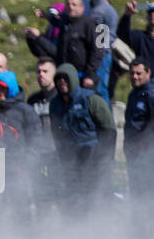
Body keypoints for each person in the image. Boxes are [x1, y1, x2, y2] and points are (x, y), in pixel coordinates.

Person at [48, 63, 115, 212]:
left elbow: (109, 130)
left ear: (73, 79)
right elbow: (55, 133)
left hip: (94, 161)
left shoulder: (91, 99)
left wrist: (104, 159)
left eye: (65, 79)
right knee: (73, 204)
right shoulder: (54, 105)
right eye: (58, 79)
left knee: (98, 202)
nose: (62, 82)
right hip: (70, 164)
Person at [28, 0, 103, 92]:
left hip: (84, 77)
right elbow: (56, 20)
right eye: (68, 4)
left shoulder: (89, 24)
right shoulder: (65, 23)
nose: (71, 7)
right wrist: (45, 15)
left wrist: (90, 75)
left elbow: (97, 51)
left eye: (74, 5)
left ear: (82, 7)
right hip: (66, 77)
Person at [125, 57, 153, 210]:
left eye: (139, 73)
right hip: (134, 154)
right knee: (137, 195)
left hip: (148, 155)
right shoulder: (133, 94)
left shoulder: (151, 93)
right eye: (132, 73)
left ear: (148, 73)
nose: (135, 77)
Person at [88, 0, 119, 103]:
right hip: (91, 55)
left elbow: (109, 36)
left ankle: (106, 119)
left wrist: (98, 50)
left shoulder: (107, 10)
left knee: (101, 88)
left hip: (102, 55)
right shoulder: (88, 7)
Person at [118, 0, 154, 67]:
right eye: (150, 12)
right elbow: (123, 35)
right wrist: (127, 15)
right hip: (144, 76)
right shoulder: (140, 37)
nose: (152, 14)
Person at [27, 58, 57, 135]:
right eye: (38, 71)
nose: (41, 74)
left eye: (45, 71)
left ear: (55, 74)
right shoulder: (32, 100)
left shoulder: (60, 99)